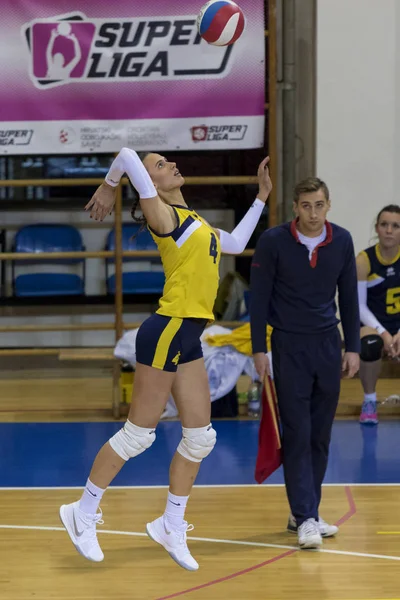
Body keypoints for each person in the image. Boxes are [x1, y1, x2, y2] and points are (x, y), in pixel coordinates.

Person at [59, 147, 272, 570]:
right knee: (138, 434)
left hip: (189, 333)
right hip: (167, 329)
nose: (172, 165)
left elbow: (238, 242)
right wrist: (109, 182)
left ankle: (170, 524)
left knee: (200, 437)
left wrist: (261, 196)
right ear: (150, 187)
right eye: (160, 166)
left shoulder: (199, 224)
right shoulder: (164, 218)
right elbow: (125, 155)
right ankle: (81, 512)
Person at [250, 177, 360, 550]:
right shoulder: (273, 241)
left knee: (320, 435)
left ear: (329, 205)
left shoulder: (342, 241)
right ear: (295, 208)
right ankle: (307, 517)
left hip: (329, 345)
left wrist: (353, 348)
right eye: (306, 206)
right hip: (288, 346)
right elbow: (258, 299)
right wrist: (257, 349)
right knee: (296, 432)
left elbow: (348, 298)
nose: (313, 213)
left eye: (319, 205)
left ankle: (304, 511)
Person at [357, 204, 400, 425]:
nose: (389, 230)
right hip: (372, 325)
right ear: (377, 228)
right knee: (370, 343)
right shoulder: (364, 260)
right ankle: (370, 401)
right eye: (384, 225)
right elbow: (359, 306)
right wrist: (383, 333)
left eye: (395, 226)